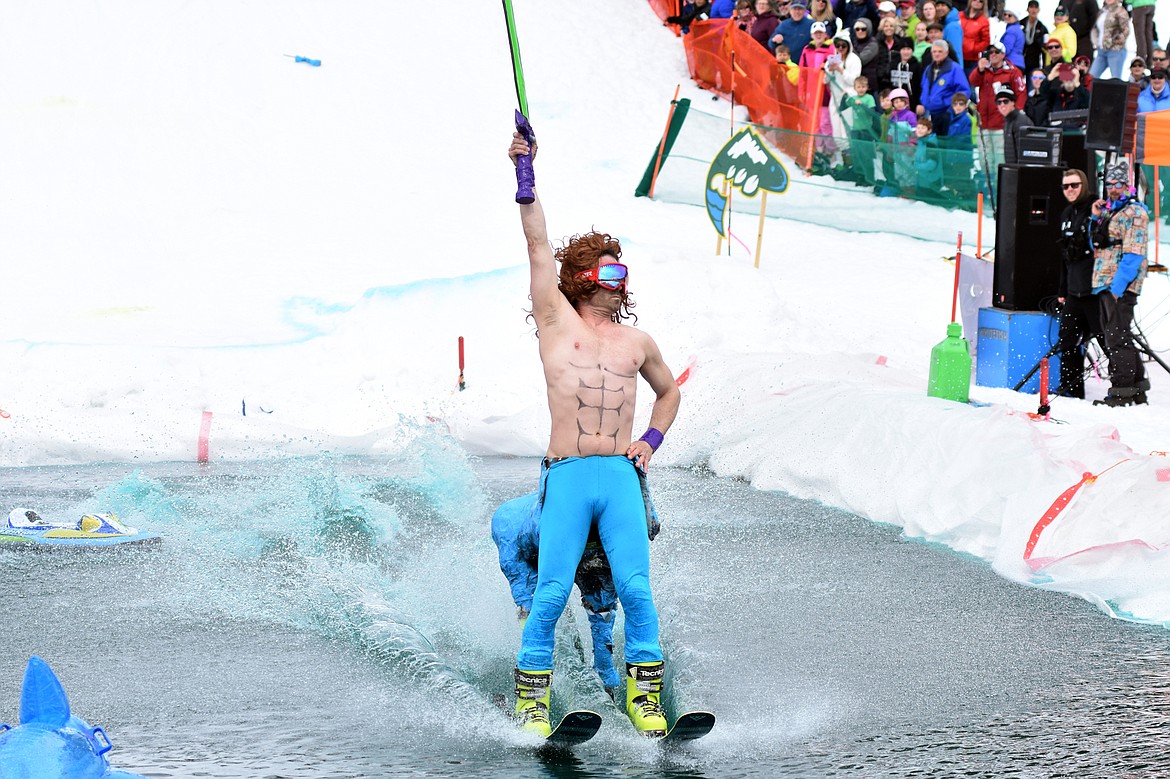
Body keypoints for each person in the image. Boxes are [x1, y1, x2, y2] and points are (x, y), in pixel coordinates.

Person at [506, 131, 682, 736]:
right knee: (553, 590)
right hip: (570, 474)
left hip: (621, 477)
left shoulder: (638, 342)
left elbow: (669, 393)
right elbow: (535, 246)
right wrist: (526, 174)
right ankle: (531, 698)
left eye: (622, 268)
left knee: (637, 589)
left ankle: (646, 698)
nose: (618, 276)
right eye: (608, 267)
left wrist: (651, 442)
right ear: (582, 278)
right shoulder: (555, 322)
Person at [491, 476, 662, 696]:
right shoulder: (514, 524)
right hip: (521, 542)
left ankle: (606, 679)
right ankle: (537, 683)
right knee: (534, 607)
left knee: (602, 611)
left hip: (589, 535)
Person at [1090, 160, 1151, 407]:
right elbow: (1098, 241)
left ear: (1128, 185)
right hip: (1104, 280)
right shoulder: (1110, 210)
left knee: (1116, 337)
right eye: (1109, 184)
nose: (1113, 189)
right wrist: (1097, 217)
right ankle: (1137, 386)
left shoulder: (1135, 211)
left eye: (1118, 184)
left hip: (1120, 285)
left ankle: (1122, 389)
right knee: (1116, 334)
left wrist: (1117, 289)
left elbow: (1134, 253)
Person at [1054, 168, 1102, 399]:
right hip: (1074, 292)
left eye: (1075, 185)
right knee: (1068, 342)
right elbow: (1064, 256)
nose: (1070, 190)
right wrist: (1062, 290)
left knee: (1107, 340)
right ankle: (1069, 390)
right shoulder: (1066, 214)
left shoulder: (1095, 208)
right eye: (1066, 186)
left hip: (1095, 291)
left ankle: (1127, 387)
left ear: (1084, 184)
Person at [918, 38, 971, 134]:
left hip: (946, 113)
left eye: (940, 51)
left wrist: (950, 107)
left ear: (946, 53)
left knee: (945, 143)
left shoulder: (954, 68)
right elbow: (923, 87)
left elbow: (963, 91)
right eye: (934, 51)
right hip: (930, 113)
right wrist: (924, 101)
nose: (937, 54)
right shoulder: (928, 69)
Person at [970, 42, 1027, 129]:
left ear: (1003, 55)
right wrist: (979, 70)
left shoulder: (1013, 72)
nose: (993, 54)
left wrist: (1015, 115)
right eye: (990, 52)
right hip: (983, 122)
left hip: (1002, 124)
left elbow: (1021, 93)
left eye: (996, 52)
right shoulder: (984, 69)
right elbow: (973, 81)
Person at [1138, 69, 1170, 225]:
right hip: (1148, 147)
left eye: (1160, 77)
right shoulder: (1141, 97)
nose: (1157, 80)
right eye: (1154, 77)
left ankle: (1168, 210)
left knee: (1168, 180)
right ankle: (1152, 209)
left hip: (1167, 147)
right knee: (1149, 181)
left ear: (1165, 79)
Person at [1089, 0, 1130, 79]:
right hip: (1101, 51)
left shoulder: (1120, 11)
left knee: (1115, 79)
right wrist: (1096, 41)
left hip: (1115, 51)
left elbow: (1126, 31)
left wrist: (1114, 41)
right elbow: (1096, 28)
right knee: (1091, 77)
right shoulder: (1102, 11)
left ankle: (1117, 91)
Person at [996, 86, 1033, 163]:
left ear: (1013, 102)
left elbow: (1025, 154)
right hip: (1013, 169)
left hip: (1020, 171)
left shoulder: (1021, 122)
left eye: (1005, 101)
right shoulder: (1008, 121)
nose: (1002, 105)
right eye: (999, 102)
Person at [960, 0, 992, 71]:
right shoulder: (960, 15)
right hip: (957, 55)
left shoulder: (984, 21)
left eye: (980, 1)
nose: (977, 2)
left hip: (971, 60)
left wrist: (973, 49)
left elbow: (986, 41)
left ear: (983, 4)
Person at [1022, 0, 1050, 72]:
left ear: (1039, 10)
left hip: (1034, 63)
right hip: (1020, 62)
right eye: (1031, 7)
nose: (1033, 10)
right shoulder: (1021, 24)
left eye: (1036, 7)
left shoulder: (1042, 28)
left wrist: (1044, 68)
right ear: (1028, 9)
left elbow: (1045, 48)